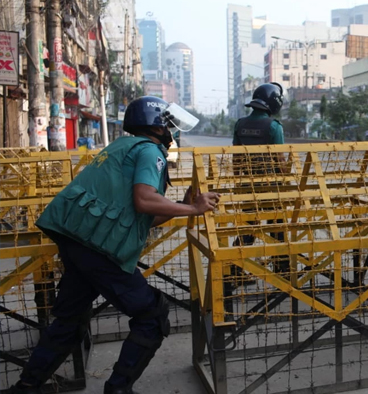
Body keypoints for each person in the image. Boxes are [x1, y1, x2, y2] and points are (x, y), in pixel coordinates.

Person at [6, 96, 220, 394]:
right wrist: (195, 210)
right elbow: (144, 200)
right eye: (169, 125)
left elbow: (142, 215)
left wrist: (182, 206)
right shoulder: (150, 152)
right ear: (157, 126)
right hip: (98, 248)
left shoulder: (120, 147)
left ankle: (26, 386)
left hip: (78, 240)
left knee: (68, 322)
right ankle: (118, 389)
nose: (172, 131)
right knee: (152, 316)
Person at [232, 82, 289, 275]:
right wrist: (287, 178)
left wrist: (240, 184)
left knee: (248, 226)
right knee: (277, 227)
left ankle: (235, 268)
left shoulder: (240, 124)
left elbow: (236, 159)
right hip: (270, 187)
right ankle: (281, 269)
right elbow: (280, 161)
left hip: (248, 186)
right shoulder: (274, 127)